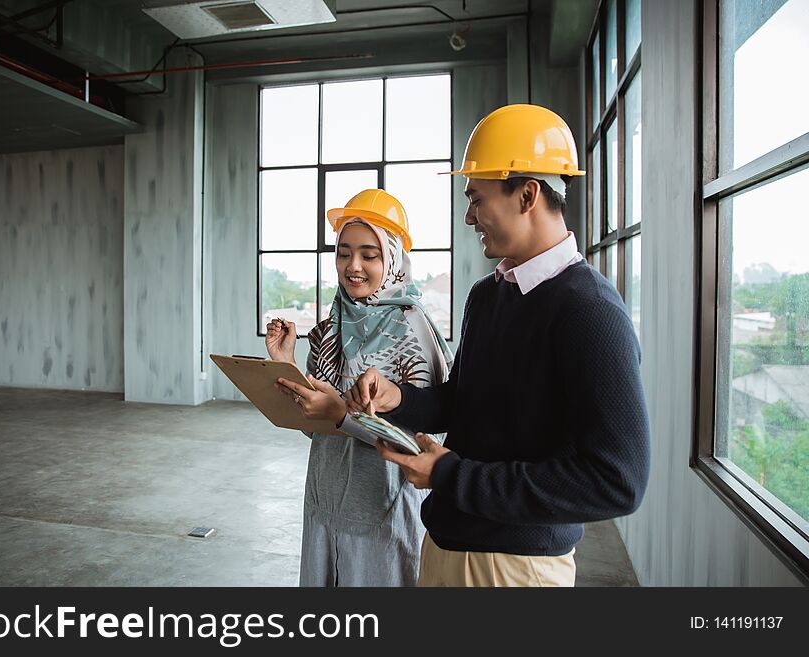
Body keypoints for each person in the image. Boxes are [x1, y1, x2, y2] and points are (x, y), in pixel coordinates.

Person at [345, 104, 651, 587]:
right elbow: (462, 404)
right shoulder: (488, 295)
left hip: (516, 568)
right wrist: (398, 398)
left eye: (476, 198)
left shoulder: (589, 311)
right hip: (446, 543)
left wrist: (451, 476)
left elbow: (617, 481)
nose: (468, 216)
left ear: (527, 194)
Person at [265, 188, 453, 587]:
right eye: (343, 252)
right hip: (324, 499)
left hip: (383, 511)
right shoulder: (332, 325)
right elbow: (310, 423)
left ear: (393, 259)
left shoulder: (411, 328)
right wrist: (286, 365)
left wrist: (343, 417)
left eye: (369, 255)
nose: (353, 266)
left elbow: (423, 440)